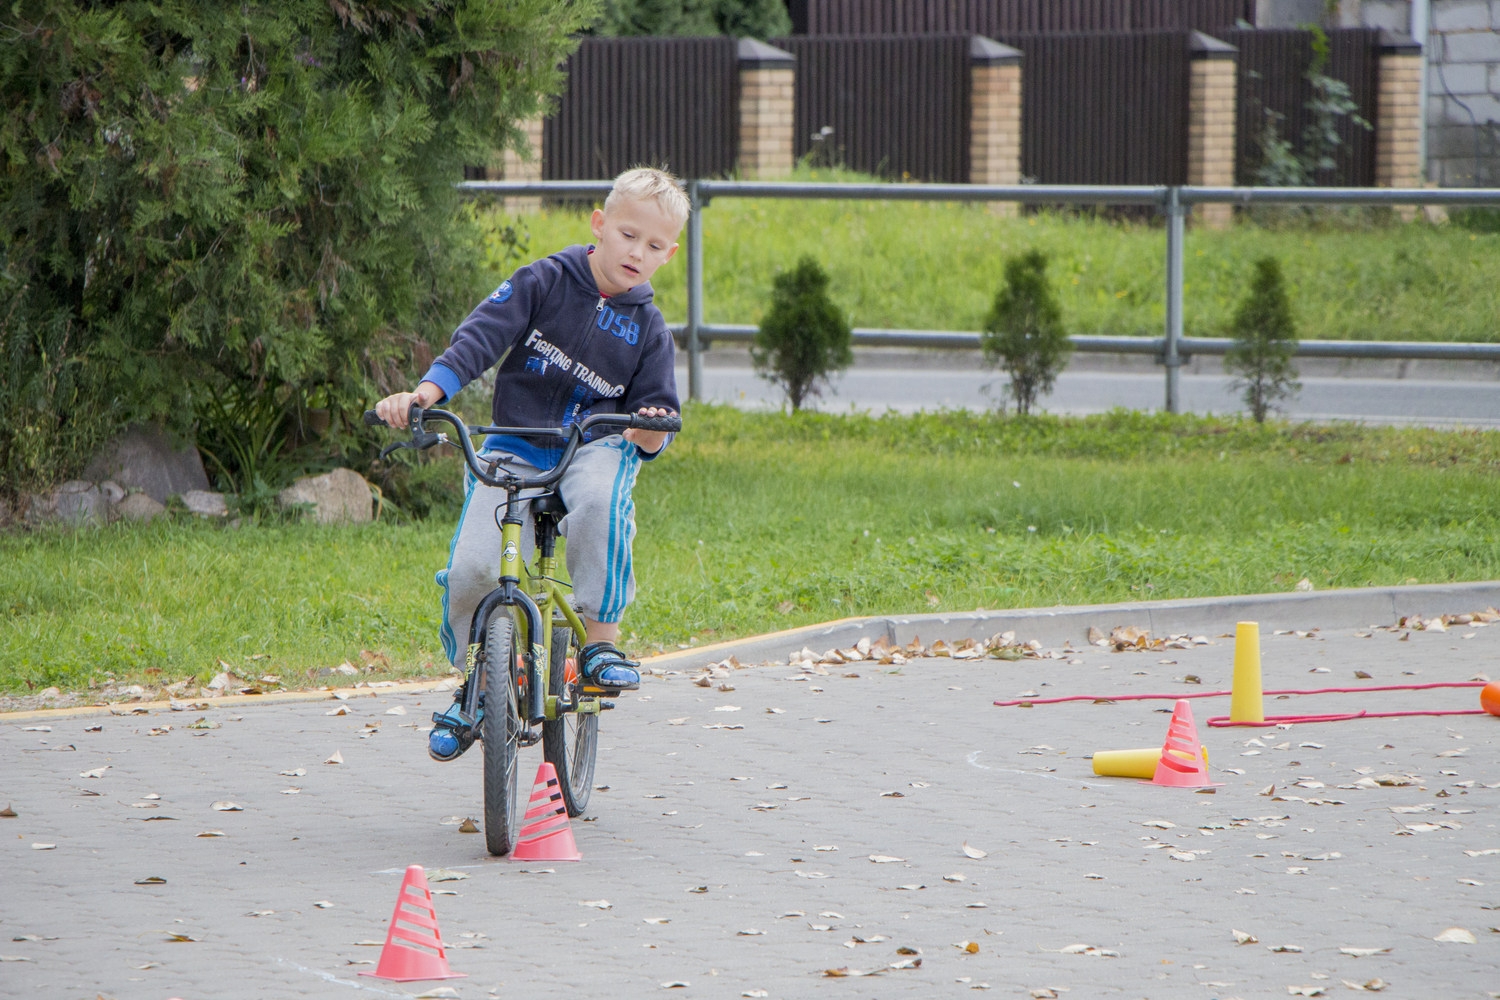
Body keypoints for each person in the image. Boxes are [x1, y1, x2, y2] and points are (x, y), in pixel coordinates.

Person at [374, 166, 687, 761]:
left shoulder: (649, 329)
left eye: (653, 246)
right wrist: (425, 394)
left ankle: (600, 645)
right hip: (514, 443)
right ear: (599, 225)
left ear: (668, 255)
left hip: (592, 446)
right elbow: (480, 337)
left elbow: (657, 420)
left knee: (600, 500)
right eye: (627, 235)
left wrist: (648, 428)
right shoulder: (544, 281)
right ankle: (477, 688)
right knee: (471, 570)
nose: (636, 253)